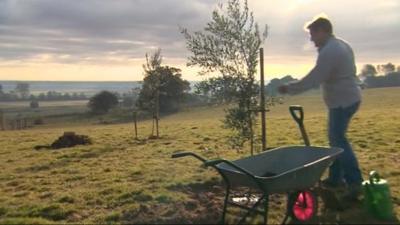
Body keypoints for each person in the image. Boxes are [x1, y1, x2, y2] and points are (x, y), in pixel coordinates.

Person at [278, 17, 363, 201]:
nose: (311, 39)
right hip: (348, 98)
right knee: (336, 140)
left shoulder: (331, 51)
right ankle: (335, 179)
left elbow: (314, 79)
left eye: (312, 34)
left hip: (342, 102)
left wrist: (290, 88)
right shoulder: (339, 45)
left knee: (338, 141)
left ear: (323, 30)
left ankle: (354, 182)